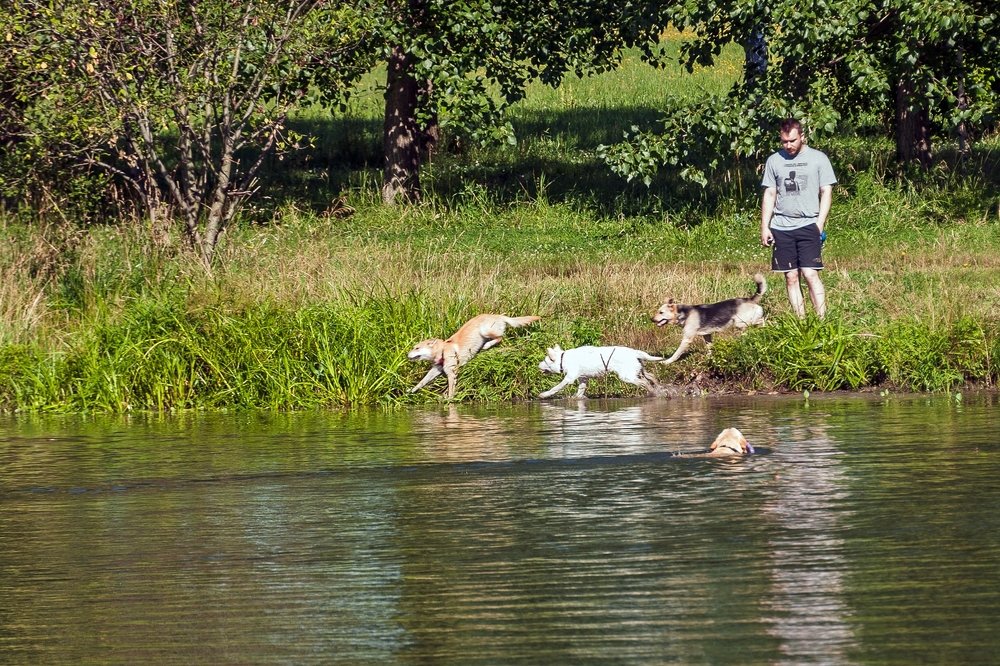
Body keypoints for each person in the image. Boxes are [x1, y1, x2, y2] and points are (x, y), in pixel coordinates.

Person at [760, 118, 836, 318]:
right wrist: (765, 227)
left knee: (810, 273)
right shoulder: (774, 161)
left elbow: (826, 192)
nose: (788, 146)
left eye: (792, 141)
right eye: (784, 141)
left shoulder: (819, 159)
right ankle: (800, 322)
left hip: (808, 224)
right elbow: (769, 194)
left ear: (802, 136)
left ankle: (821, 320)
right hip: (781, 226)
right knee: (791, 277)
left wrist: (819, 223)